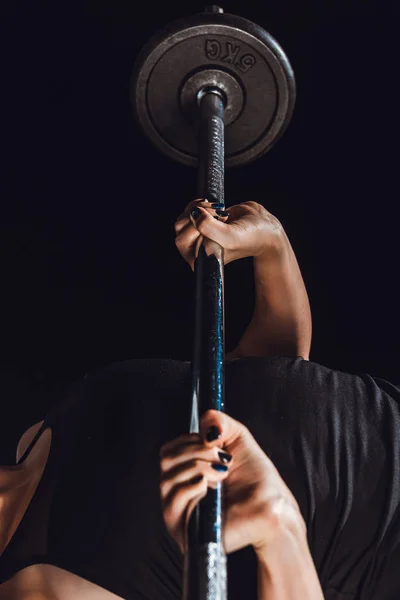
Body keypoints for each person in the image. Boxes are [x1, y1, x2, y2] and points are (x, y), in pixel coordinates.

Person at [0, 199, 399, 599]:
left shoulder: (39, 435)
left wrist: (270, 249)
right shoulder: (37, 589)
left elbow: (261, 373)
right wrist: (283, 536)